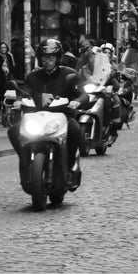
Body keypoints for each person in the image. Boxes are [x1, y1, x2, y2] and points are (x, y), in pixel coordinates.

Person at [10, 37, 85, 179]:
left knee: (75, 129)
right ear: (40, 59)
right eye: (44, 58)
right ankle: (25, 160)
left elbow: (82, 93)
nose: (47, 61)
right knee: (14, 131)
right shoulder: (33, 76)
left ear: (58, 58)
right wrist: (18, 101)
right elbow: (25, 91)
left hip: (62, 116)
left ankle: (69, 165)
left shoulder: (69, 74)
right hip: (37, 117)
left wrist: (77, 101)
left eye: (51, 58)